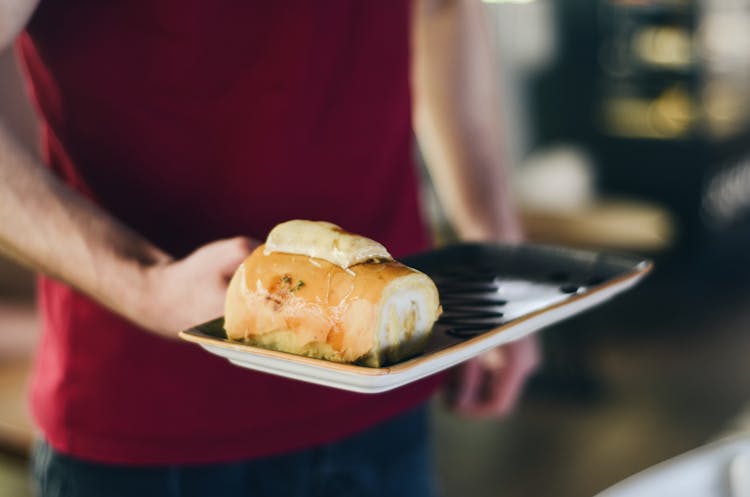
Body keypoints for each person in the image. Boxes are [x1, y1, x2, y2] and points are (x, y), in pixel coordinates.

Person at [0, 0, 539, 496]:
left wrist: (493, 250)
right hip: (149, 429)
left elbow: (443, 9)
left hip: (386, 383)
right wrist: (144, 282)